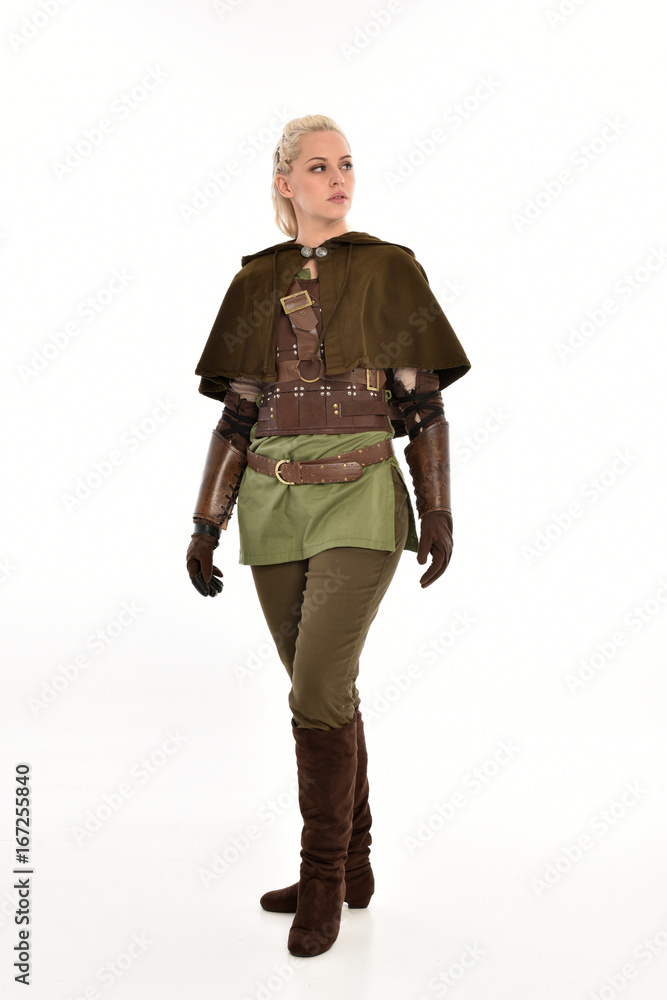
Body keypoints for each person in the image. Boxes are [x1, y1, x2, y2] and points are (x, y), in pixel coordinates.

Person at [185, 115, 471, 958]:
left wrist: (437, 508)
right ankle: (355, 864)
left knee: (315, 686)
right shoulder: (254, 281)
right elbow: (238, 415)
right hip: (270, 503)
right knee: (326, 689)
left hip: (360, 497)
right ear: (285, 183)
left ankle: (320, 882)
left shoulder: (390, 268)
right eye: (317, 167)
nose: (338, 178)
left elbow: (422, 406)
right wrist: (205, 522)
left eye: (345, 164)